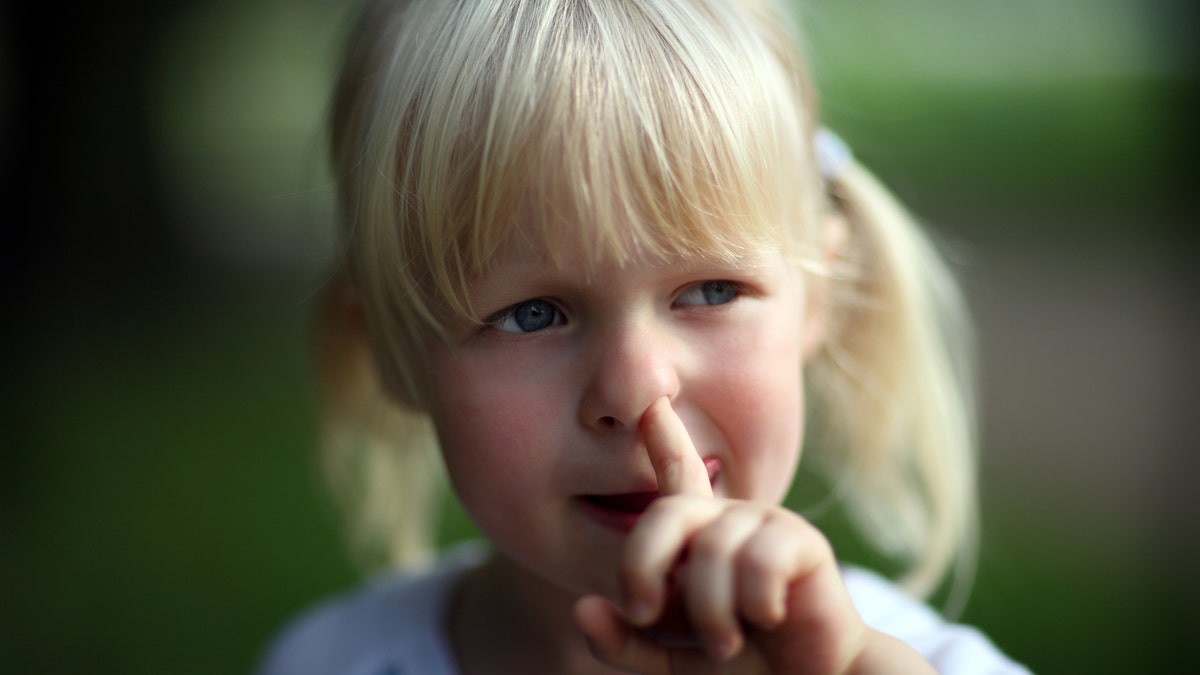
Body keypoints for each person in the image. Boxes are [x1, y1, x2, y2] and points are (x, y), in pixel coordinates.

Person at [260, 0, 1031, 672]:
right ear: (392, 348)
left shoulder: (909, 664)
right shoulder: (326, 660)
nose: (636, 388)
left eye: (710, 290)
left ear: (815, 297)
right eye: (533, 313)